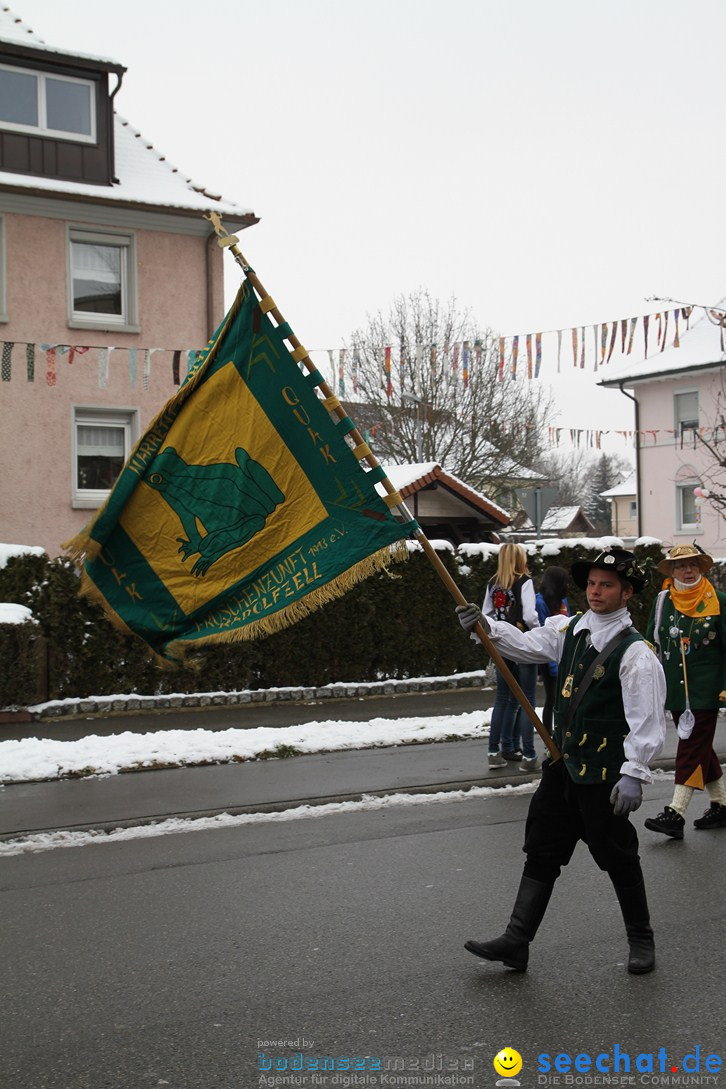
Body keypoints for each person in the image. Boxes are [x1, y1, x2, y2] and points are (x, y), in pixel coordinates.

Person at [456, 547, 666, 975]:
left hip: (605, 776)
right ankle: (517, 941)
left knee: (618, 858)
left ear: (626, 593)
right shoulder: (571, 630)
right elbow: (528, 644)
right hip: (562, 766)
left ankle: (642, 940)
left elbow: (647, 721)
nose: (595, 591)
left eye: (607, 585)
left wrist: (634, 774)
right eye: (591, 583)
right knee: (542, 850)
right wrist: (486, 626)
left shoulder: (637, 654)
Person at [643, 543, 726, 840]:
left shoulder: (719, 601)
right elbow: (651, 642)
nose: (687, 571)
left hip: (707, 692)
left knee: (689, 749)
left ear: (702, 568)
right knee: (699, 747)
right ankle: (721, 804)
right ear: (673, 571)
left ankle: (675, 813)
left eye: (693, 565)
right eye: (680, 566)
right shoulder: (663, 602)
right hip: (675, 692)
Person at [482, 543, 540, 771]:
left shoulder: (492, 583)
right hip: (523, 644)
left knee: (503, 700)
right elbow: (529, 615)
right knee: (527, 701)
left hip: (500, 646)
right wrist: (537, 631)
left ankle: (494, 751)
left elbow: (486, 614)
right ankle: (529, 756)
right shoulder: (524, 581)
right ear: (519, 560)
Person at [534, 566, 570, 735]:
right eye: (565, 582)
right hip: (548, 658)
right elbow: (543, 632)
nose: (568, 585)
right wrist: (552, 665)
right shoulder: (540, 602)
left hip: (564, 656)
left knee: (564, 698)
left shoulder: (563, 601)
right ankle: (548, 735)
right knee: (552, 698)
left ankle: (561, 732)